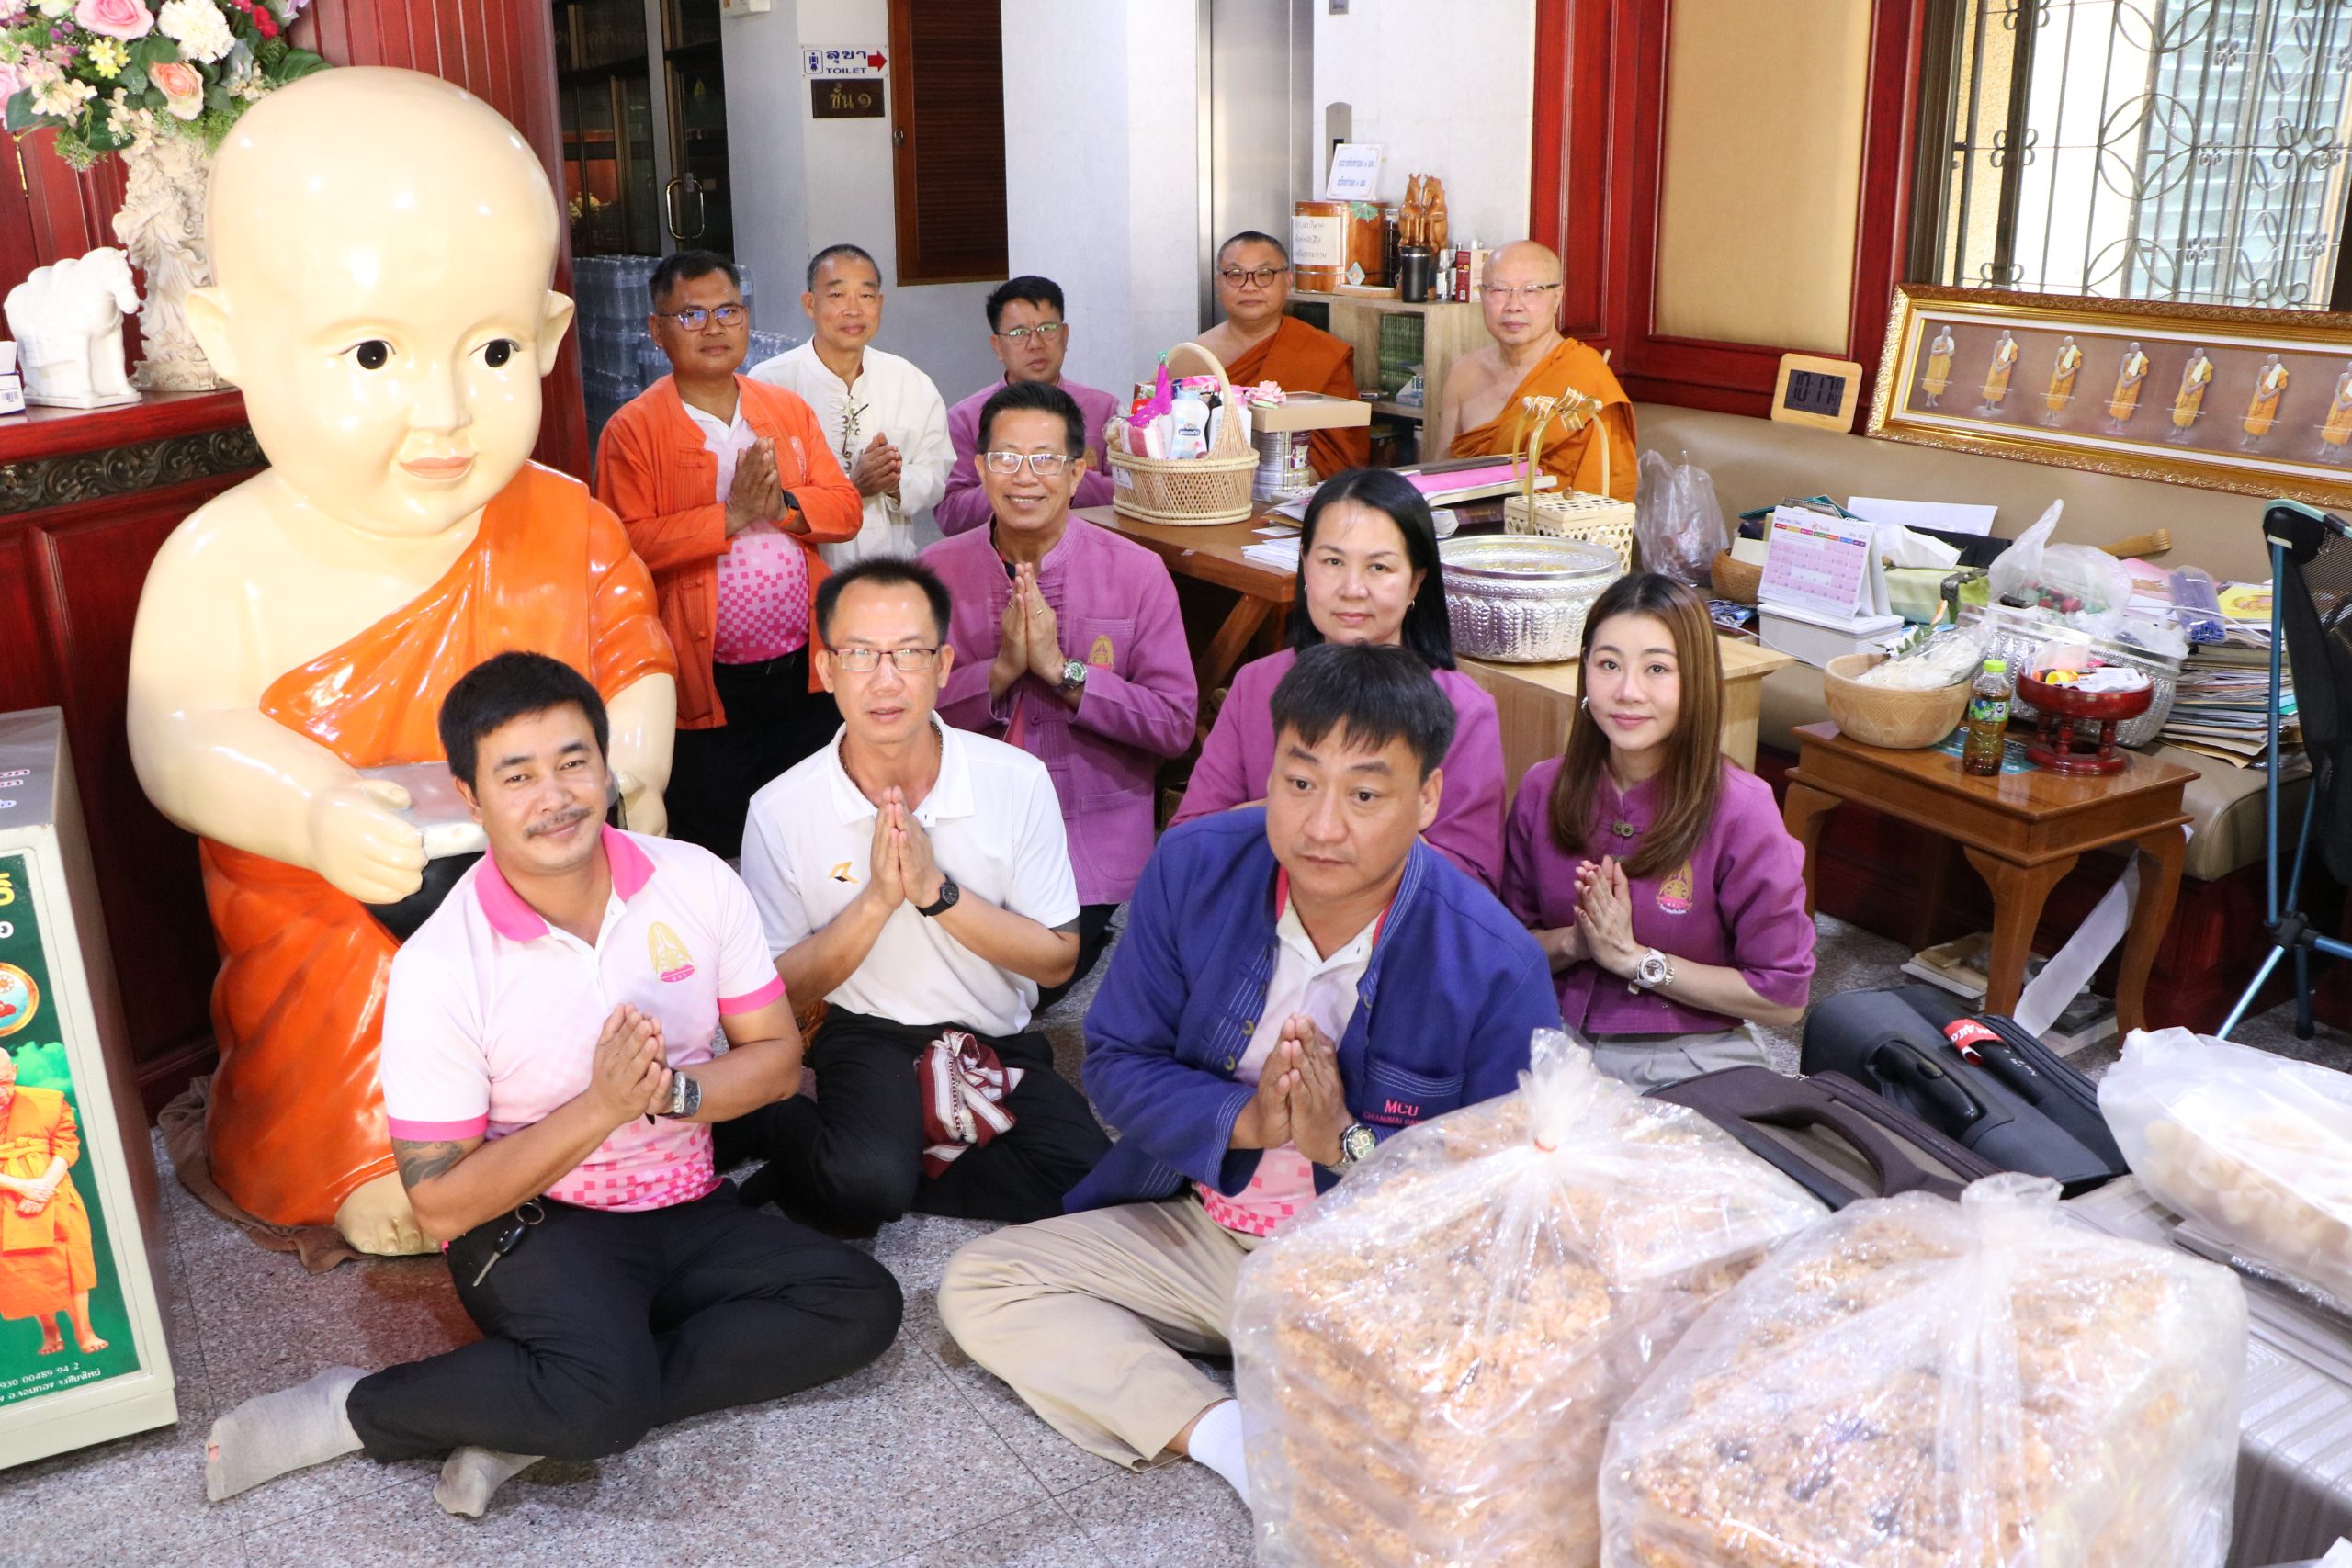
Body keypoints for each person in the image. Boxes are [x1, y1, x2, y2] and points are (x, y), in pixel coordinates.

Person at [128, 69, 678, 1257]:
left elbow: (634, 652)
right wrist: (313, 808)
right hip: (339, 903)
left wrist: (636, 763)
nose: (444, 411)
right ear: (232, 339)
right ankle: (375, 1145)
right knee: (346, 962)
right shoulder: (226, 558)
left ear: (549, 336)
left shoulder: (567, 522)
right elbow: (180, 733)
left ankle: (575, 1119)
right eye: (373, 354)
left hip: (547, 856)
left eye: (492, 351)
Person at [201, 653, 902, 1518]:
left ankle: (532, 1406)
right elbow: (442, 1205)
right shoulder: (441, 963)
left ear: (606, 768)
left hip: (684, 1200)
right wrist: (602, 1107)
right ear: (471, 796)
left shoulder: (694, 880)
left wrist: (674, 1094)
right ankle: (357, 1407)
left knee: (859, 1303)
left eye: (574, 762)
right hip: (537, 1225)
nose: (556, 795)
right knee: (604, 1403)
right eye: (518, 775)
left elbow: (777, 1059)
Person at [937, 644, 1562, 1504]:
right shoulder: (1195, 867)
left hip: (1376, 1277)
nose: (1322, 825)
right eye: (1300, 781)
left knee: (1505, 1395)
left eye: (1365, 794)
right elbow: (1116, 1059)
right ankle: (1231, 1433)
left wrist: (1344, 1143)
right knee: (983, 1283)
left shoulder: (1493, 963)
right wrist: (1251, 1122)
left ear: (1428, 799)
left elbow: (1506, 1200)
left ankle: (1313, 1369)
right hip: (1211, 1236)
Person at [730, 558, 1113, 1234]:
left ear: (942, 665)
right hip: (864, 1030)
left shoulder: (1016, 780)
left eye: (908, 653)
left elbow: (1058, 960)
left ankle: (892, 1145)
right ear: (826, 670)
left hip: (991, 1030)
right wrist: (878, 901)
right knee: (864, 1191)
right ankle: (784, 1120)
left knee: (1092, 1188)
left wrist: (936, 892)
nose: (886, 680)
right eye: (860, 654)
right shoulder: (779, 807)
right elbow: (779, 989)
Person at [921, 381, 1196, 1007]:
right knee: (936, 968)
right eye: (1007, 457)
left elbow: (1175, 722)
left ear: (1076, 474)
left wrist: (1063, 673)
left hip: (1087, 836)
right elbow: (906, 714)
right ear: (981, 469)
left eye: (1045, 459)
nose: (1025, 477)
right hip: (962, 827)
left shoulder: (1137, 572)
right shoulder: (936, 571)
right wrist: (1000, 672)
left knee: (1019, 986)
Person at [594, 250, 865, 859]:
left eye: (728, 311)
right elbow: (625, 546)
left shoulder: (785, 411)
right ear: (657, 329)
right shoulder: (632, 430)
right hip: (706, 680)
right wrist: (730, 516)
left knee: (811, 833)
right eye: (691, 315)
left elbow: (845, 509)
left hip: (802, 669)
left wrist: (784, 508)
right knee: (716, 842)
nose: (714, 328)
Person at [1500, 574, 1813, 1089]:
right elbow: (1506, 949)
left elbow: (1783, 998)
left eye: (1657, 669)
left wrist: (1634, 960)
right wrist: (1575, 943)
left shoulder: (1743, 808)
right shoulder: (1543, 786)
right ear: (1585, 669)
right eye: (1608, 665)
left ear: (1695, 681)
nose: (1627, 692)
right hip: (1548, 1035)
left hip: (1689, 1052)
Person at [1173, 468, 1506, 890]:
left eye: (1379, 567)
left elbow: (1473, 880)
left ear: (1416, 582)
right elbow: (1189, 840)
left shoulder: (1465, 710)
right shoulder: (1256, 684)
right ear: (1304, 564)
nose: (1352, 588)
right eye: (1333, 562)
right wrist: (1289, 812)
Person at [750, 244, 956, 563]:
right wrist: (852, 487)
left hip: (890, 567)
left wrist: (894, 482)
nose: (853, 310)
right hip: (805, 569)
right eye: (837, 295)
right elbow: (762, 490)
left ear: (880, 304)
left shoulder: (911, 381)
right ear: (810, 304)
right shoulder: (769, 383)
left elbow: (937, 473)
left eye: (866, 295)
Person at [1430, 241, 1634, 502]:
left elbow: (1606, 500)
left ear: (1557, 296)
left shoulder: (1587, 380)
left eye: (1531, 290)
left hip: (1561, 526)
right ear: (1482, 294)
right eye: (1499, 290)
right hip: (1471, 526)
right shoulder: (1464, 373)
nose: (1513, 305)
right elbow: (1439, 483)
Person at [935, 276, 1121, 537]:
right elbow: (952, 515)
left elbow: (1129, 495)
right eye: (1019, 333)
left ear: (1065, 336)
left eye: (1047, 328)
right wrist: (1013, 485)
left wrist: (1063, 477)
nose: (1036, 343)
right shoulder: (964, 418)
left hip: (1089, 551)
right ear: (998, 346)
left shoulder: (1105, 409)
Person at [1189, 231, 1369, 480]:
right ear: (1218, 283)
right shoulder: (1190, 358)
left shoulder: (1321, 353)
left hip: (1292, 495)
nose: (1249, 286)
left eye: (1264, 274)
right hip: (1205, 492)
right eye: (1236, 274)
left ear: (1288, 281)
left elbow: (1338, 456)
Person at [0, 1053, 104, 1359]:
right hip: (7, 1203)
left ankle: (85, 1331)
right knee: (29, 1272)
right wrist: (22, 1188)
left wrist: (44, 1187)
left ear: (14, 1070)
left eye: (5, 1081)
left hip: (55, 1192)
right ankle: (50, 1330)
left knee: (74, 1267)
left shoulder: (47, 1101)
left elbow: (66, 1145)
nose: (1, 1093)